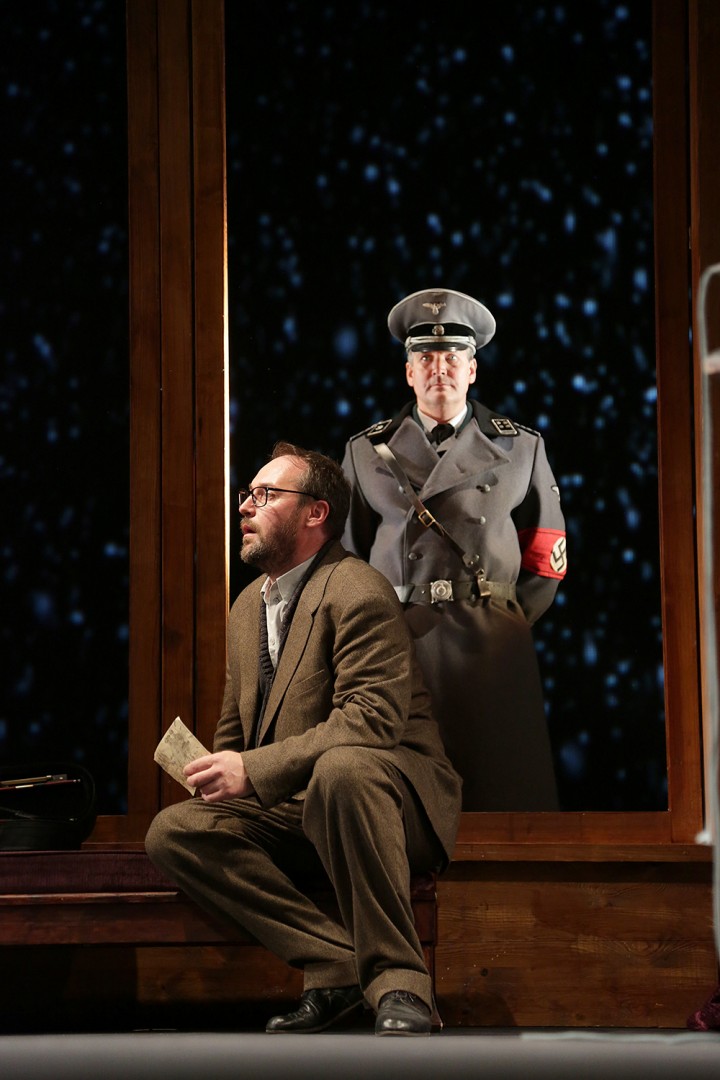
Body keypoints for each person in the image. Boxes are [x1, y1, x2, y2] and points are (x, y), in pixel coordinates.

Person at [145, 442, 462, 1037]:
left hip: (387, 800)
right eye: (247, 494)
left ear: (316, 513)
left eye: (265, 495)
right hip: (299, 804)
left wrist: (252, 770)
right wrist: (218, 775)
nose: (246, 506)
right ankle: (337, 967)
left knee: (344, 768)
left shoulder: (357, 588)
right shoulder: (247, 608)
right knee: (175, 830)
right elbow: (236, 733)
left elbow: (371, 720)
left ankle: (401, 983)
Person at [341, 288, 567, 812]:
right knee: (399, 799)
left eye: (451, 358)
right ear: (409, 373)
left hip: (490, 648)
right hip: (401, 643)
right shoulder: (365, 451)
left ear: (472, 370)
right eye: (425, 358)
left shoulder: (522, 447)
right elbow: (347, 557)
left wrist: (507, 620)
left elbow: (546, 549)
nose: (438, 369)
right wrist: (375, 630)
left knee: (503, 795)